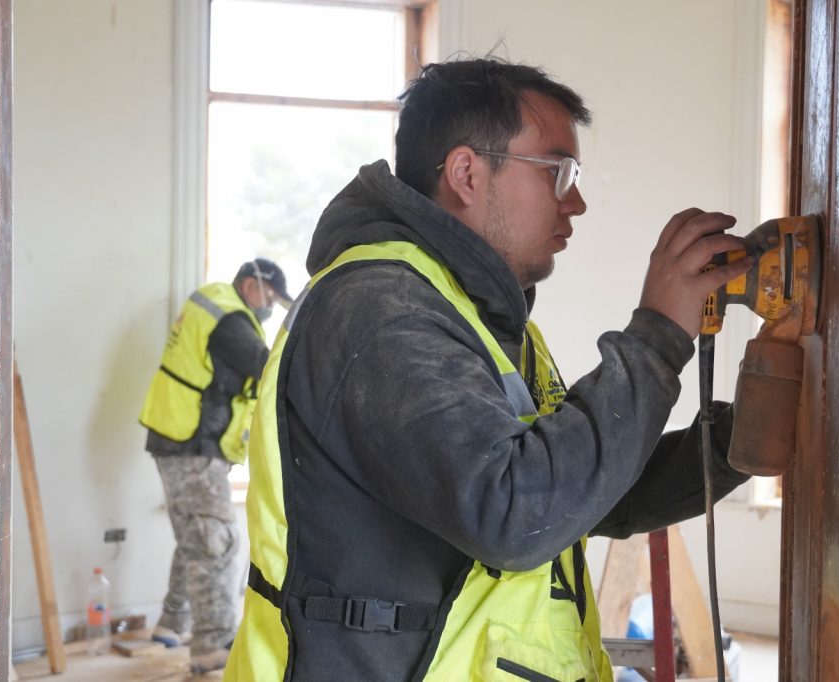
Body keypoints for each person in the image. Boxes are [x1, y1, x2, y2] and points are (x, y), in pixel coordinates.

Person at [226, 59, 756, 681]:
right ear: (467, 174)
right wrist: (659, 334)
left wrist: (740, 441)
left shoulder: (482, 320)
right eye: (558, 171)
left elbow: (583, 496)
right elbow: (515, 512)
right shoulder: (378, 309)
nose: (577, 202)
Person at [139, 258, 291, 674]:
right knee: (215, 542)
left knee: (197, 535)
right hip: (194, 443)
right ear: (251, 284)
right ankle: (213, 644)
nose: (270, 306)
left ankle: (172, 623)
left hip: (180, 438)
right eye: (270, 296)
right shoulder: (230, 319)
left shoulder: (216, 306)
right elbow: (268, 368)